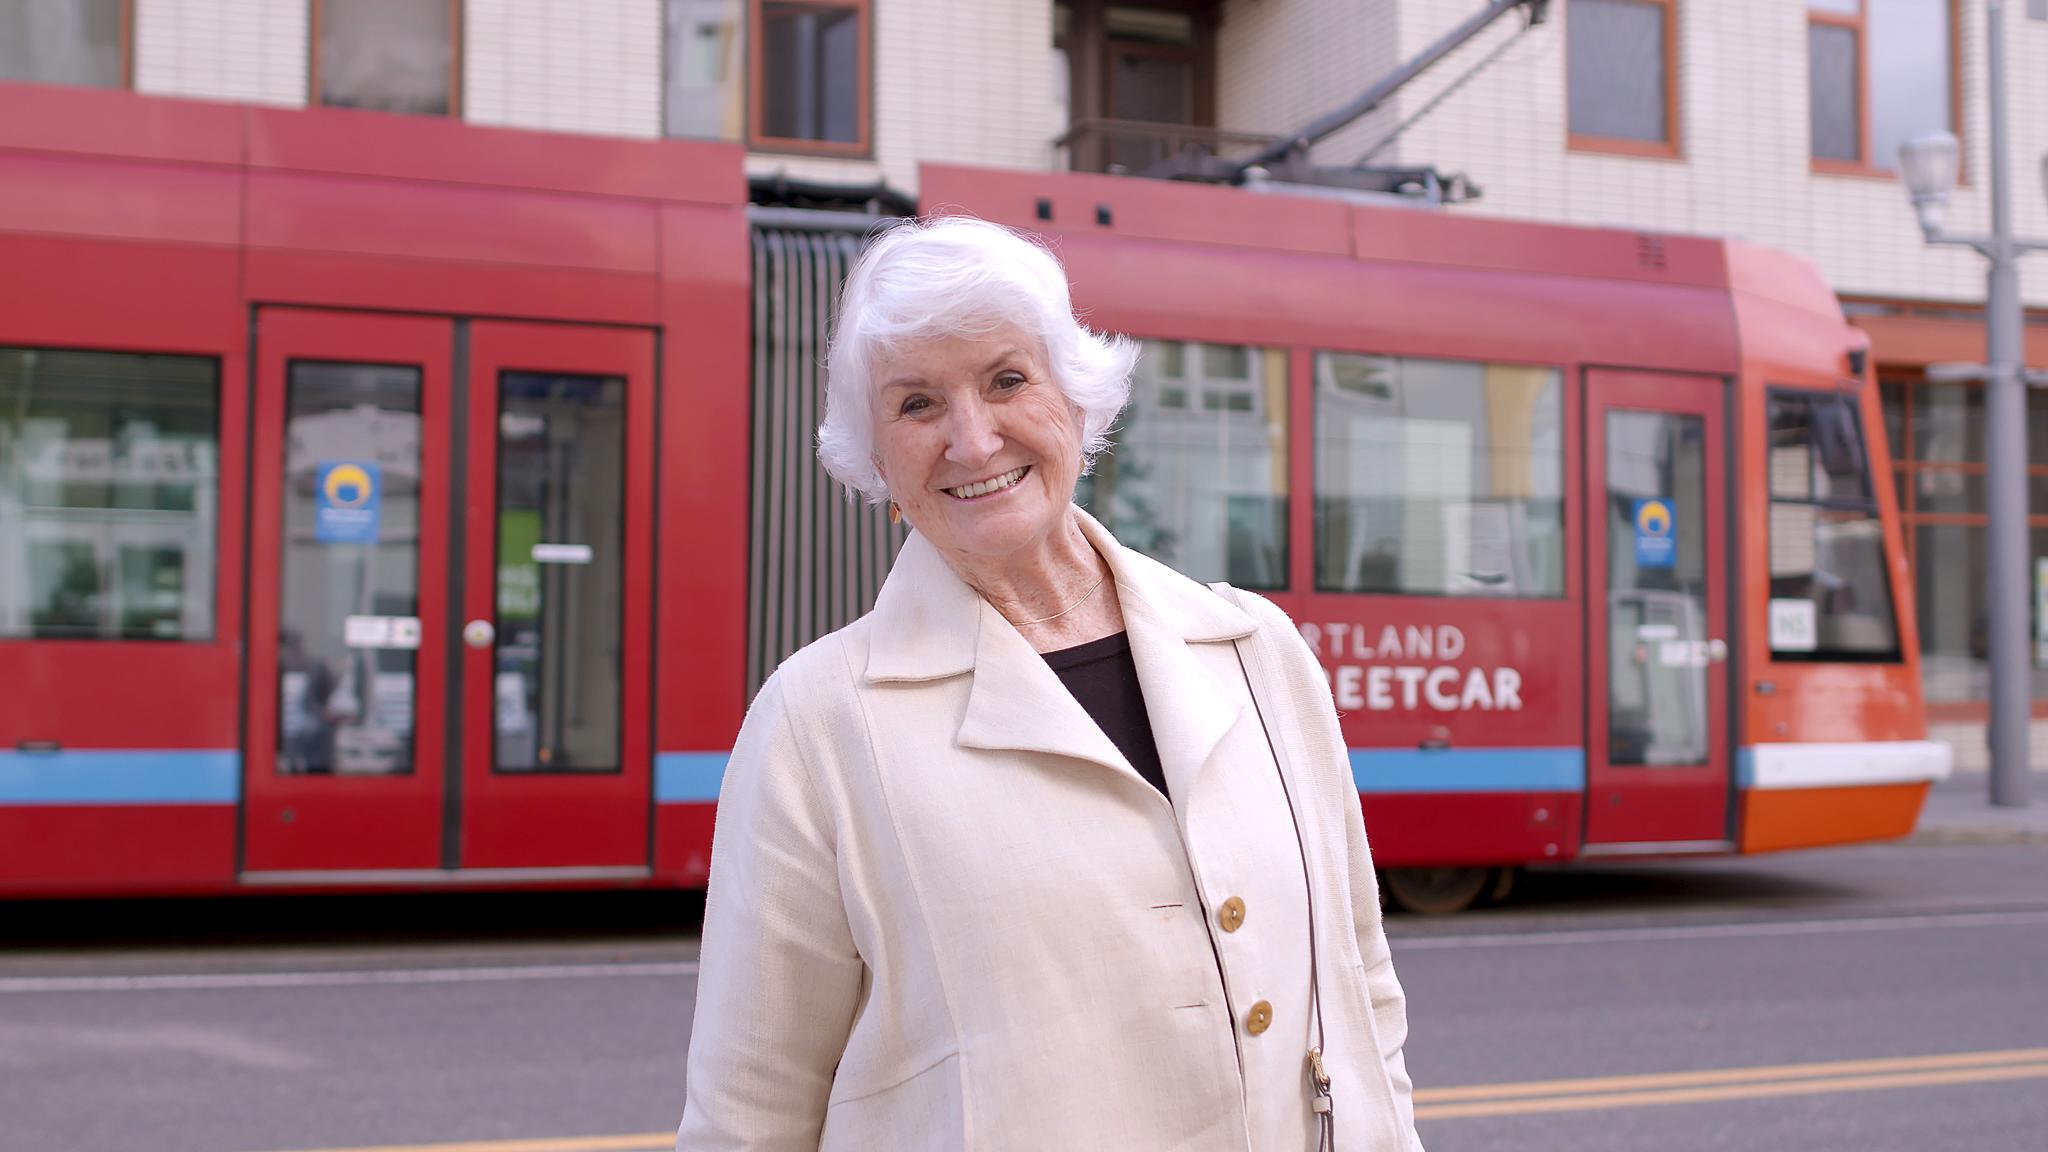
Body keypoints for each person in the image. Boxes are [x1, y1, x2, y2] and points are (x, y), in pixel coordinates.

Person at [676, 217, 1423, 1152]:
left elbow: (1361, 988)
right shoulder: (816, 724)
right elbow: (749, 1112)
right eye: (916, 405)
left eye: (1007, 380)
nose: (973, 438)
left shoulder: (1257, 650)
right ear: (874, 458)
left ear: (1077, 399)